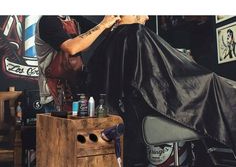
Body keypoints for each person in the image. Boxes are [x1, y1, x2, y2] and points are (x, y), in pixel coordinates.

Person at [87, 15, 236, 158]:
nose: (147, 17)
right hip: (156, 110)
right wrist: (207, 78)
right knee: (223, 90)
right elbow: (165, 83)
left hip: (135, 113)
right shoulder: (136, 33)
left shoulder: (109, 42)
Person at [35, 15, 120, 112]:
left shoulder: (73, 18)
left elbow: (101, 31)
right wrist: (103, 24)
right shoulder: (48, 20)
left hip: (76, 88)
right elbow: (71, 48)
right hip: (57, 94)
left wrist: (114, 21)